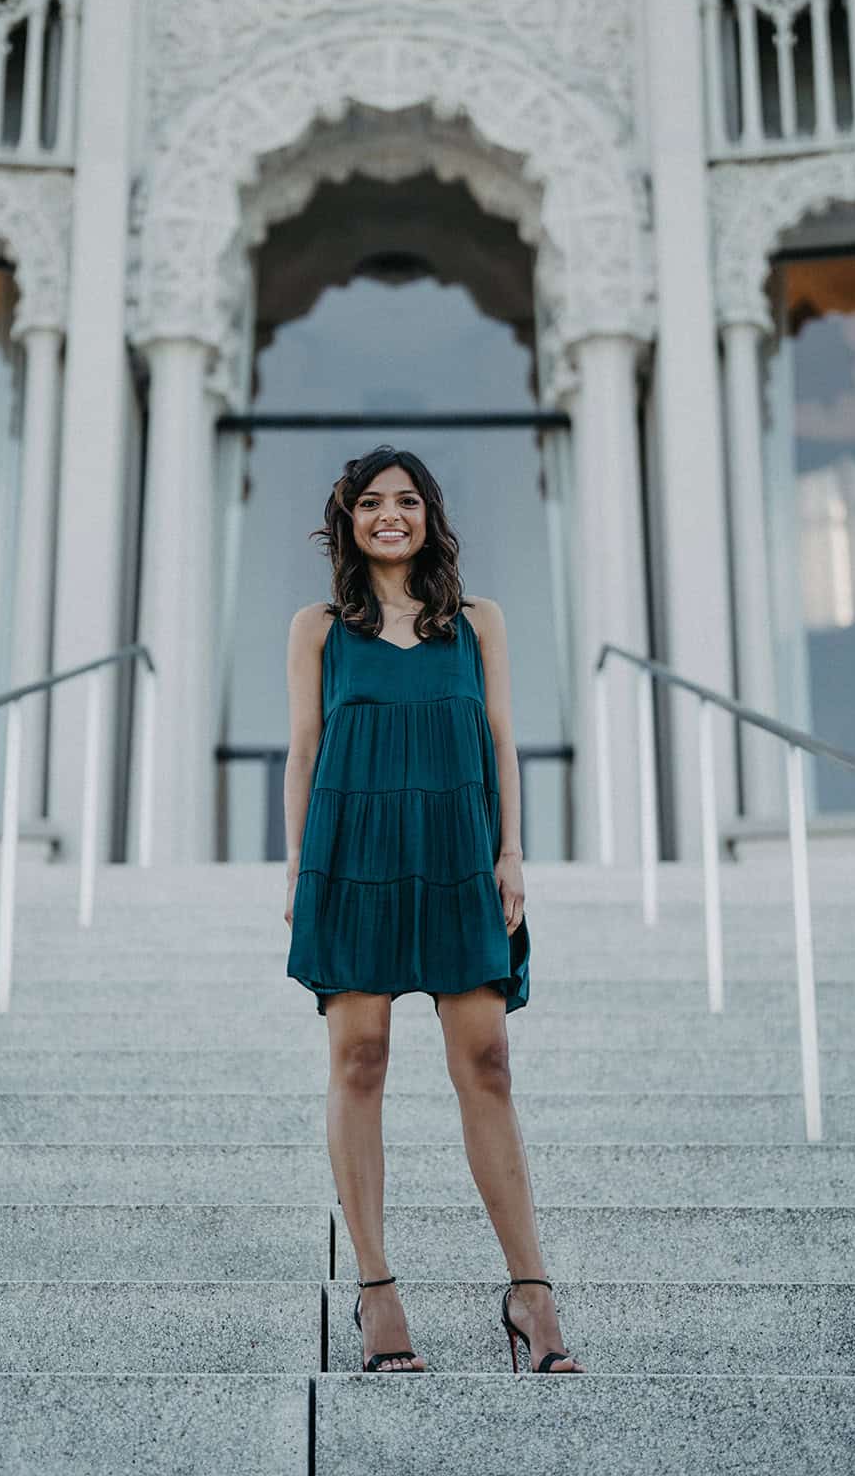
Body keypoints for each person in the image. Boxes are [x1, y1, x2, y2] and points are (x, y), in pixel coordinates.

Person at [283, 445, 584, 1375]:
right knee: (360, 1058)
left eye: (406, 501)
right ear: (348, 520)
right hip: (352, 857)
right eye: (371, 502)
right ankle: (377, 1295)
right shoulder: (318, 627)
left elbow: (502, 741)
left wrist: (510, 852)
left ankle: (529, 1292)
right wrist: (298, 875)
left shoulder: (478, 621)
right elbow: (303, 750)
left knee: (487, 1062)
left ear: (429, 516)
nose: (390, 515)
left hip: (458, 853)